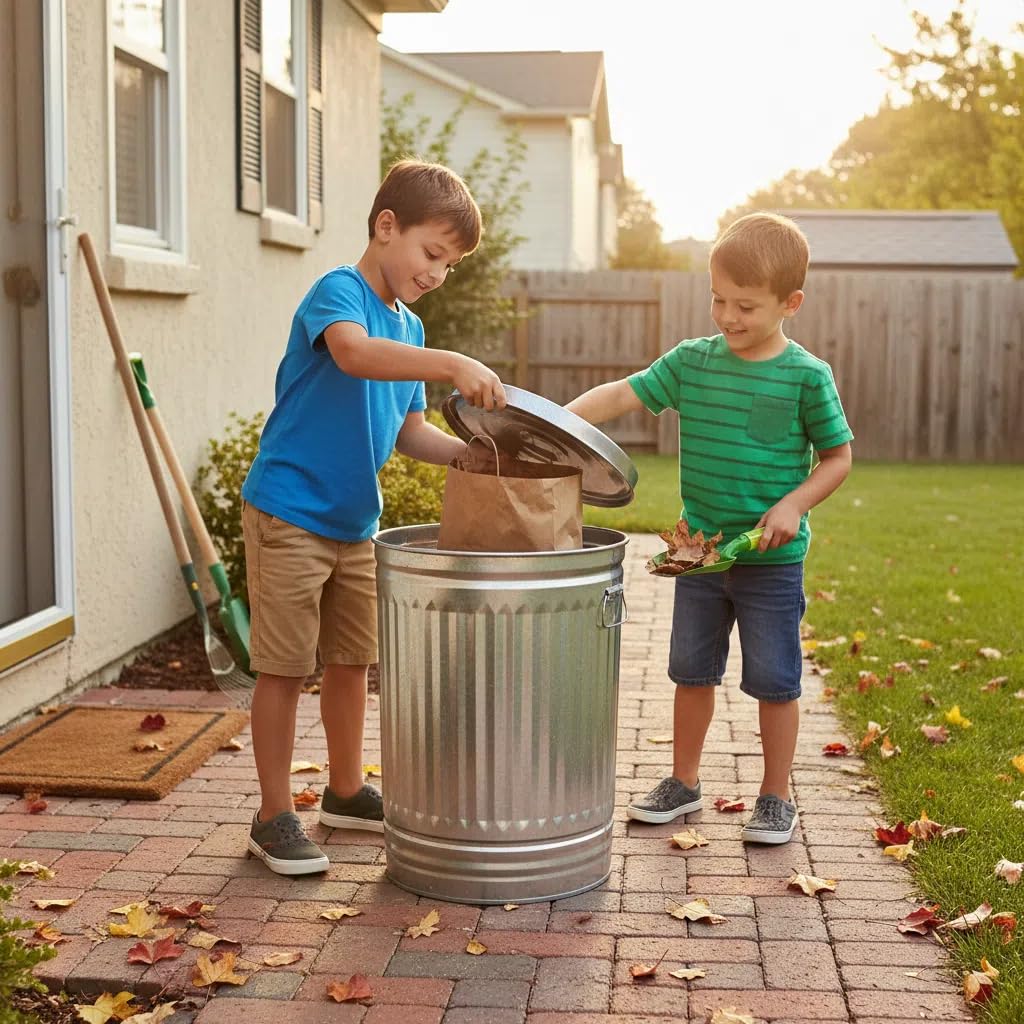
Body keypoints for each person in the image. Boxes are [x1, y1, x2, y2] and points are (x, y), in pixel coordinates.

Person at [241, 160, 506, 874]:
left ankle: (346, 789)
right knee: (285, 668)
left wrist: (465, 456)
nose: (438, 273)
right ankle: (272, 815)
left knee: (353, 662)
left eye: (449, 264)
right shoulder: (341, 293)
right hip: (290, 511)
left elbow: (406, 430)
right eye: (432, 253)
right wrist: (449, 361)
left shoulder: (411, 325)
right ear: (387, 226)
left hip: (355, 523)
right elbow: (353, 357)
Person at [566, 212, 852, 844]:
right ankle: (684, 781)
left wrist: (794, 506)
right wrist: (557, 422)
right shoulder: (693, 362)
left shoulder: (807, 375)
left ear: (791, 303)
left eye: (745, 305)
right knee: (690, 672)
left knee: (775, 680)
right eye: (718, 299)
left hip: (770, 564)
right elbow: (625, 393)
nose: (727, 315)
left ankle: (776, 797)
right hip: (701, 557)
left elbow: (838, 458)